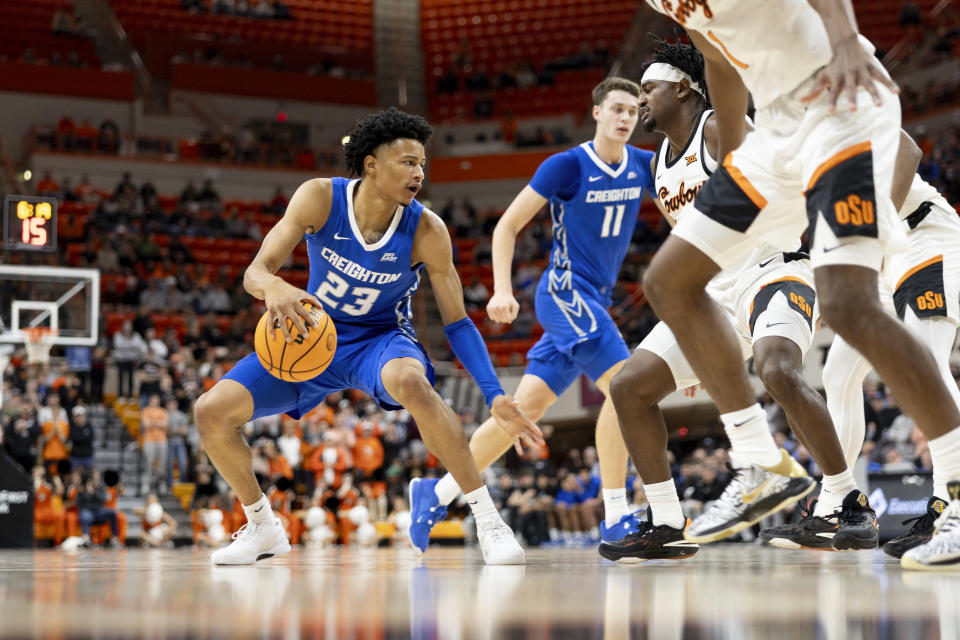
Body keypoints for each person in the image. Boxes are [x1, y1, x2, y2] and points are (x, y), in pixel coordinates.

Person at [637, 1, 960, 569]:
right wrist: (737, 149)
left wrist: (843, 39)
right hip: (774, 140)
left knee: (850, 306)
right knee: (669, 280)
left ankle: (954, 495)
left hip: (839, 108)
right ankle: (759, 461)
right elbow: (714, 51)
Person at [193, 108, 542, 565]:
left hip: (381, 340)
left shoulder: (427, 230)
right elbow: (256, 272)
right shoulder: (319, 197)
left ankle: (489, 521)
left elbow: (457, 322)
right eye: (407, 162)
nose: (419, 172)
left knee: (414, 383)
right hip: (312, 336)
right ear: (372, 164)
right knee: (211, 412)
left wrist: (494, 394)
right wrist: (274, 286)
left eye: (422, 163)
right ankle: (262, 526)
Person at [601, 37, 875, 562]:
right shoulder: (659, 159)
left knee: (778, 370)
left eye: (648, 89)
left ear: (683, 88)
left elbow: (751, 157)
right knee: (630, 387)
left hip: (775, 268)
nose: (640, 101)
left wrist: (709, 28)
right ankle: (665, 521)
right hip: (713, 294)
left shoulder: (718, 129)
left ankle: (847, 499)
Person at [417, 78, 655, 551]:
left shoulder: (646, 165)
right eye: (617, 109)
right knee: (627, 391)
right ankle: (615, 515)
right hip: (564, 292)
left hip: (591, 302)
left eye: (634, 110)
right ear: (596, 112)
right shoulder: (567, 165)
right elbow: (506, 225)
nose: (626, 118)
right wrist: (502, 289)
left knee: (524, 413)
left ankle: (436, 492)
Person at [821, 150, 960, 561]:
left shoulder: (822, 108)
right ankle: (838, 503)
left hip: (921, 235)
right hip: (878, 263)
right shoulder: (787, 165)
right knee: (836, 373)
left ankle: (947, 505)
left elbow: (907, 148)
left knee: (927, 367)